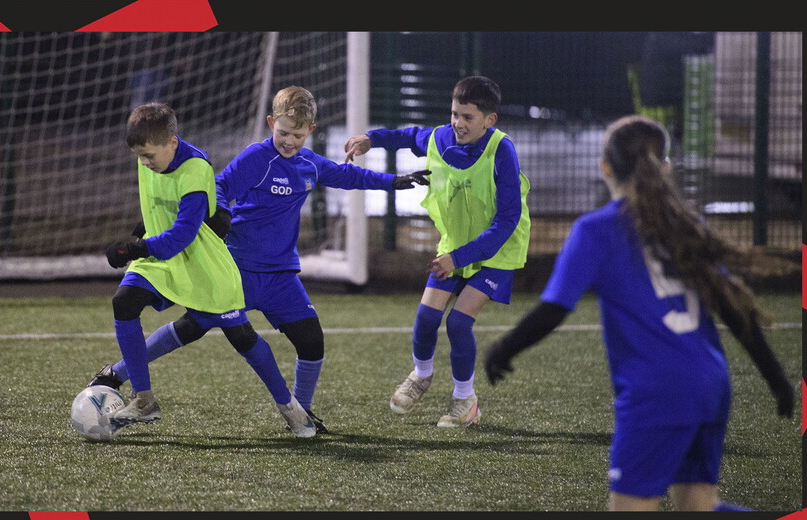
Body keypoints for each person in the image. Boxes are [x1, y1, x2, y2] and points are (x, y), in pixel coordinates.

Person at [483, 114, 795, 511]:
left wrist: (504, 348)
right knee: (698, 508)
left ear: (605, 168)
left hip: (657, 392)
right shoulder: (684, 224)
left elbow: (554, 309)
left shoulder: (596, 230)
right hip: (711, 385)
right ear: (664, 167)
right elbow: (734, 310)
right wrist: (775, 376)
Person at [92, 87, 430, 434]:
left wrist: (394, 182)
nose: (289, 141)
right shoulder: (257, 158)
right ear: (271, 123)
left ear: (310, 131)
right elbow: (219, 185)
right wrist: (221, 211)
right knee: (191, 328)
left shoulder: (308, 165)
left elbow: (349, 176)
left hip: (280, 276)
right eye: (283, 132)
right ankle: (117, 373)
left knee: (311, 341)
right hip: (236, 268)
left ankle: (302, 412)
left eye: (297, 135)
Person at [92, 102, 317, 438]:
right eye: (139, 156)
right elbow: (162, 202)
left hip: (200, 262)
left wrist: (136, 247)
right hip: (161, 257)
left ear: (171, 143)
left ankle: (290, 407)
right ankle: (144, 400)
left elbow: (182, 236)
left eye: (149, 156)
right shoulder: (151, 157)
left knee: (242, 338)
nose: (144, 163)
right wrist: (144, 230)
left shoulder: (196, 169)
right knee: (124, 302)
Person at [344, 75, 531, 428]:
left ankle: (465, 401)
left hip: (495, 252)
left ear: (490, 120)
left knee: (459, 322)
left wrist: (458, 259)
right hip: (455, 245)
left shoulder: (501, 151)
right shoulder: (441, 138)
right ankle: (421, 375)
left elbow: (506, 222)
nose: (458, 123)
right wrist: (373, 138)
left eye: (467, 117)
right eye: (454, 114)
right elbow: (408, 135)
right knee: (427, 318)